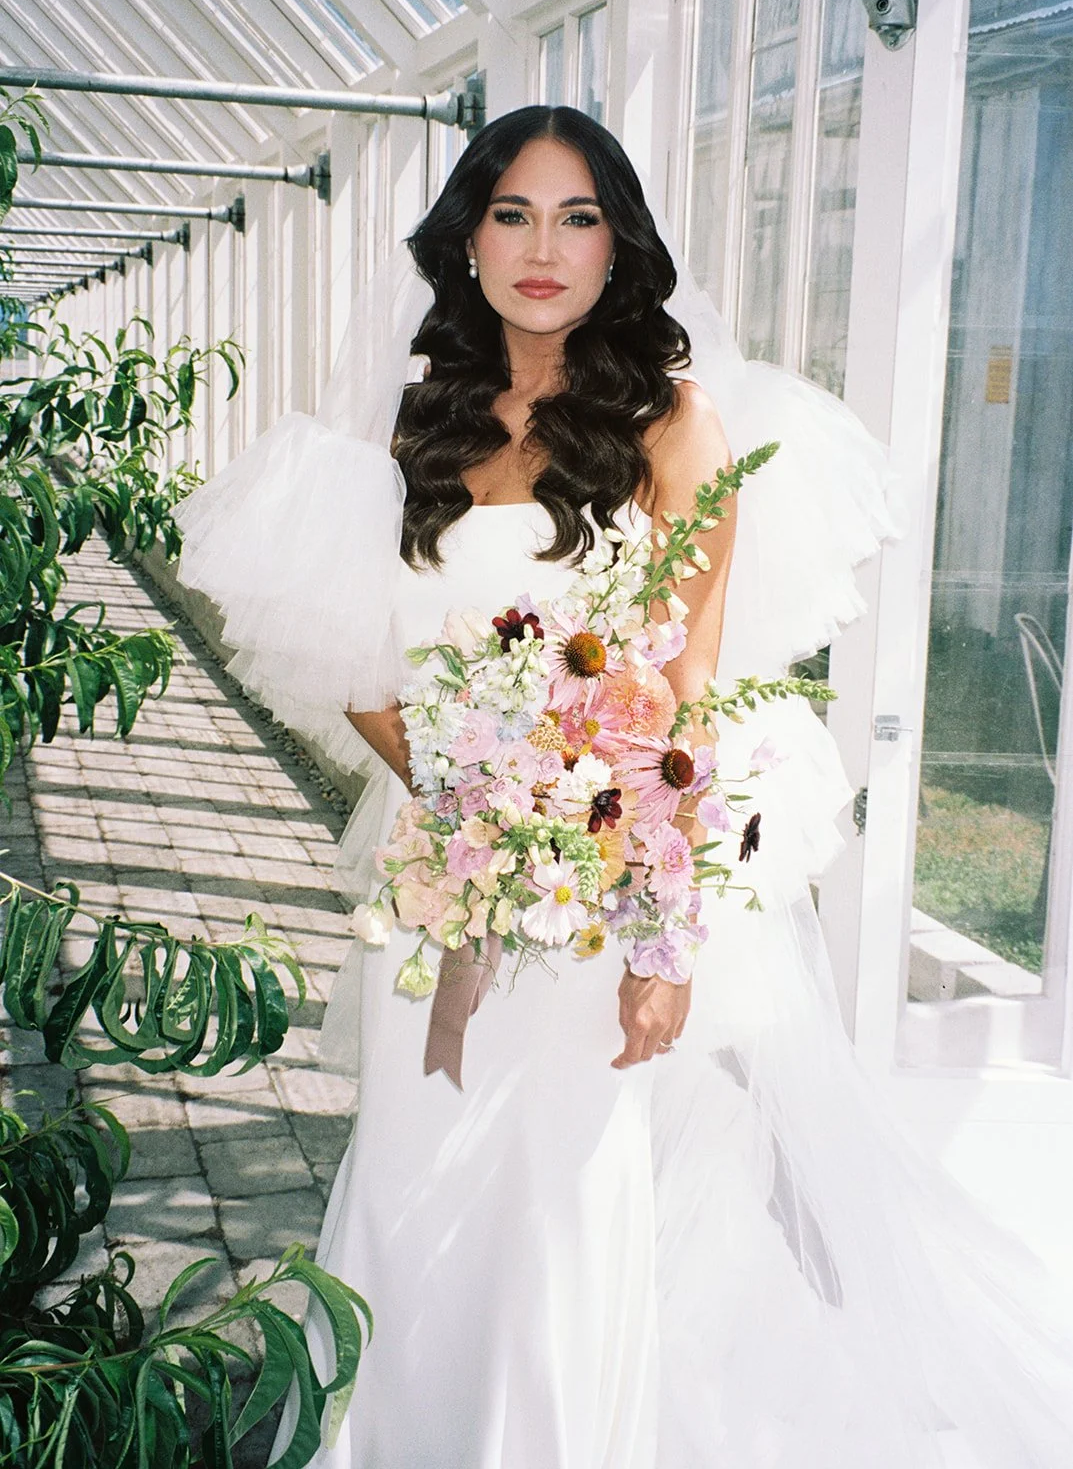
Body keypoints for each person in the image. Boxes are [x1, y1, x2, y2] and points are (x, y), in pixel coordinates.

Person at [176, 107, 1073, 1469]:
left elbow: (686, 696)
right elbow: (358, 654)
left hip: (600, 902)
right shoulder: (414, 417)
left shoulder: (675, 421)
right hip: (448, 888)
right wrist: (474, 810)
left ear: (619, 245)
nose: (545, 247)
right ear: (467, 238)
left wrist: (660, 942)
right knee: (411, 1177)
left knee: (563, 1198)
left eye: (578, 217)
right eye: (515, 214)